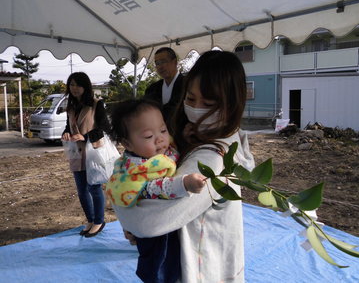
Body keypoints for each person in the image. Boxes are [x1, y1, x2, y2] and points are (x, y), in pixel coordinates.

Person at [113, 50, 255, 282]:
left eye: (208, 103)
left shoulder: (211, 159)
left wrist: (126, 213)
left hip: (198, 262)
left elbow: (150, 220)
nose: (196, 108)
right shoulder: (203, 135)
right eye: (190, 99)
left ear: (232, 103)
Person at [106, 99, 205, 283]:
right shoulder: (139, 168)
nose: (160, 139)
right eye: (148, 136)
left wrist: (185, 135)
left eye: (163, 130)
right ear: (127, 144)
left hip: (162, 226)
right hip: (155, 233)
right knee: (159, 269)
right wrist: (184, 184)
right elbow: (154, 188)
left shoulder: (154, 152)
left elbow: (173, 150)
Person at [61, 72, 110, 238]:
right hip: (76, 151)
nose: (74, 88)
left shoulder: (96, 104)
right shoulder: (71, 105)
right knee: (81, 190)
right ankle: (90, 220)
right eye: (72, 84)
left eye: (78, 85)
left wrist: (85, 136)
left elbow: (104, 128)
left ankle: (99, 221)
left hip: (92, 151)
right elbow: (68, 126)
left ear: (85, 86)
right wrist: (67, 133)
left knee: (94, 187)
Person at [144, 47, 185, 126]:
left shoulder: (187, 84)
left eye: (163, 62)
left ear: (175, 62)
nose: (160, 67)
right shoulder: (152, 89)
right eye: (157, 63)